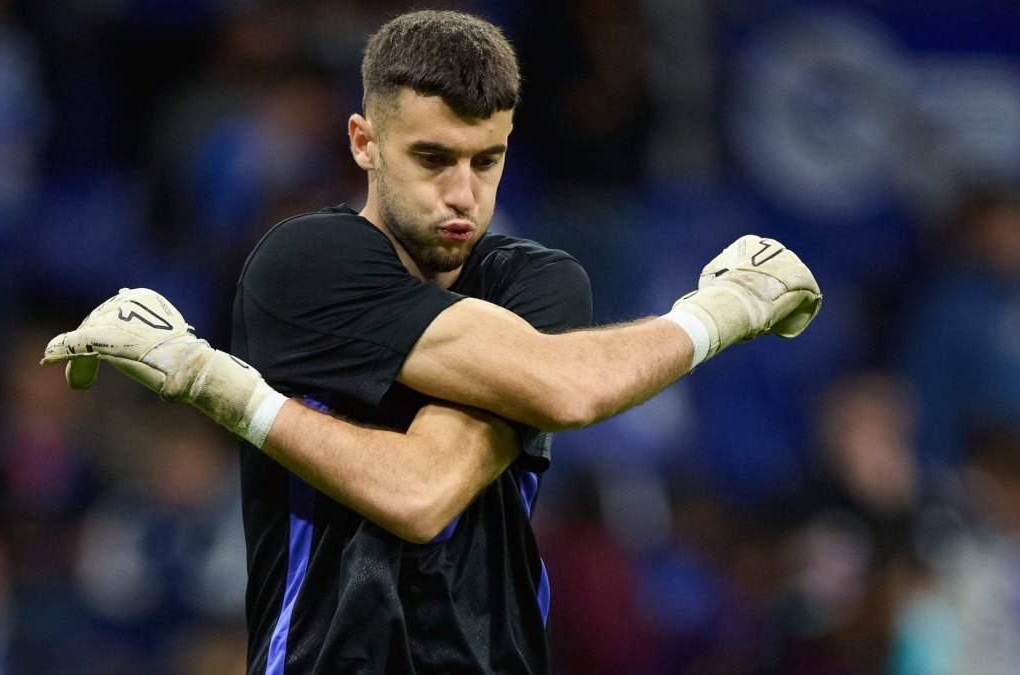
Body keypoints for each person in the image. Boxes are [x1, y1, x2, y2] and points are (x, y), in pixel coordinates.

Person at [42, 10, 821, 674]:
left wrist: (215, 381)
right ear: (363, 142)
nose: (463, 194)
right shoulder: (303, 265)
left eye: (488, 160)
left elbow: (438, 477)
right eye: (433, 158)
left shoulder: (541, 283)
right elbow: (429, 490)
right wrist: (719, 312)